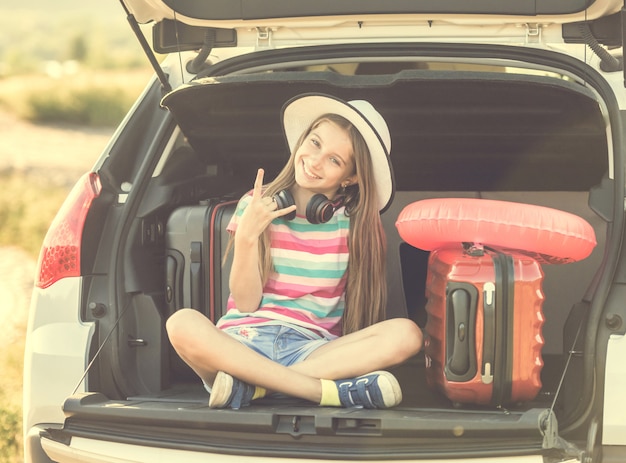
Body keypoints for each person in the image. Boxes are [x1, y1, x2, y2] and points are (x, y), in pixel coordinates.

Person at [166, 93, 423, 410]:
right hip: (242, 344)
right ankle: (323, 393)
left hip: (313, 350)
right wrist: (247, 236)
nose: (315, 160)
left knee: (408, 334)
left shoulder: (355, 225)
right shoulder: (256, 203)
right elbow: (246, 303)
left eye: (334, 160)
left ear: (351, 178)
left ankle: (255, 389)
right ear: (303, 139)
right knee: (180, 324)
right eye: (315, 143)